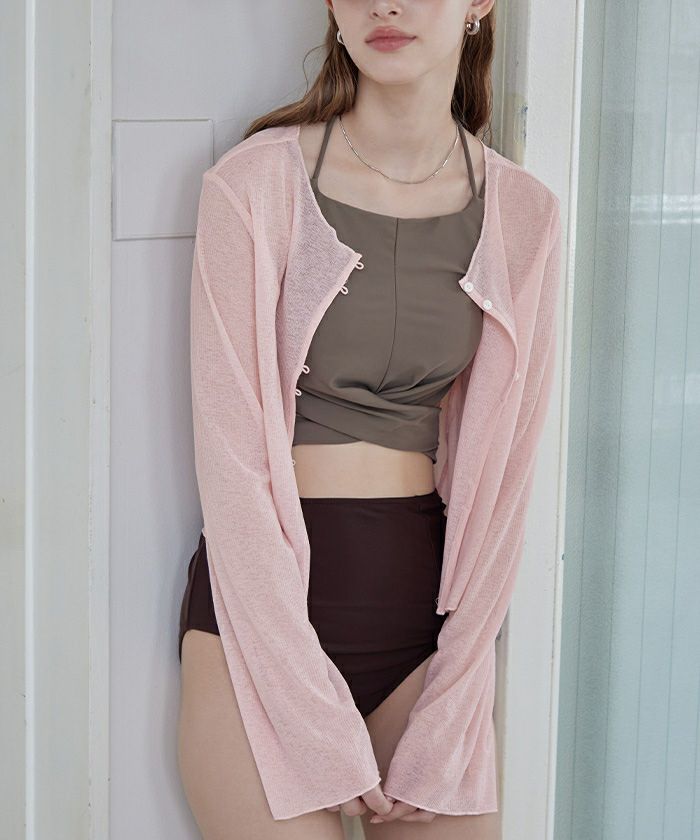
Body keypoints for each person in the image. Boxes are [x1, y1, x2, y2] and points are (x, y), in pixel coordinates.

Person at [177, 1, 562, 838]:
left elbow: (506, 486)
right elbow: (230, 459)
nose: (385, 4)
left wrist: (457, 697)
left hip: (420, 621)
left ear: (479, 4)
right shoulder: (253, 184)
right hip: (259, 622)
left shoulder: (524, 213)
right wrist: (306, 708)